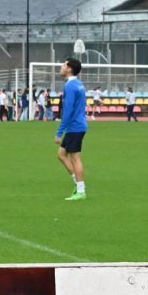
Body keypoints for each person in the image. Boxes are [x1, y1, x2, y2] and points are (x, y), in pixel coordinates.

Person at [54, 58, 89, 201]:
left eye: (63, 65)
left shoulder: (70, 86)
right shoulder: (78, 84)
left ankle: (80, 190)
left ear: (69, 68)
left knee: (75, 158)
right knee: (62, 154)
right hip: (79, 124)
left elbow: (68, 110)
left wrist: (59, 132)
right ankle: (79, 185)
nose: (61, 67)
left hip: (75, 126)